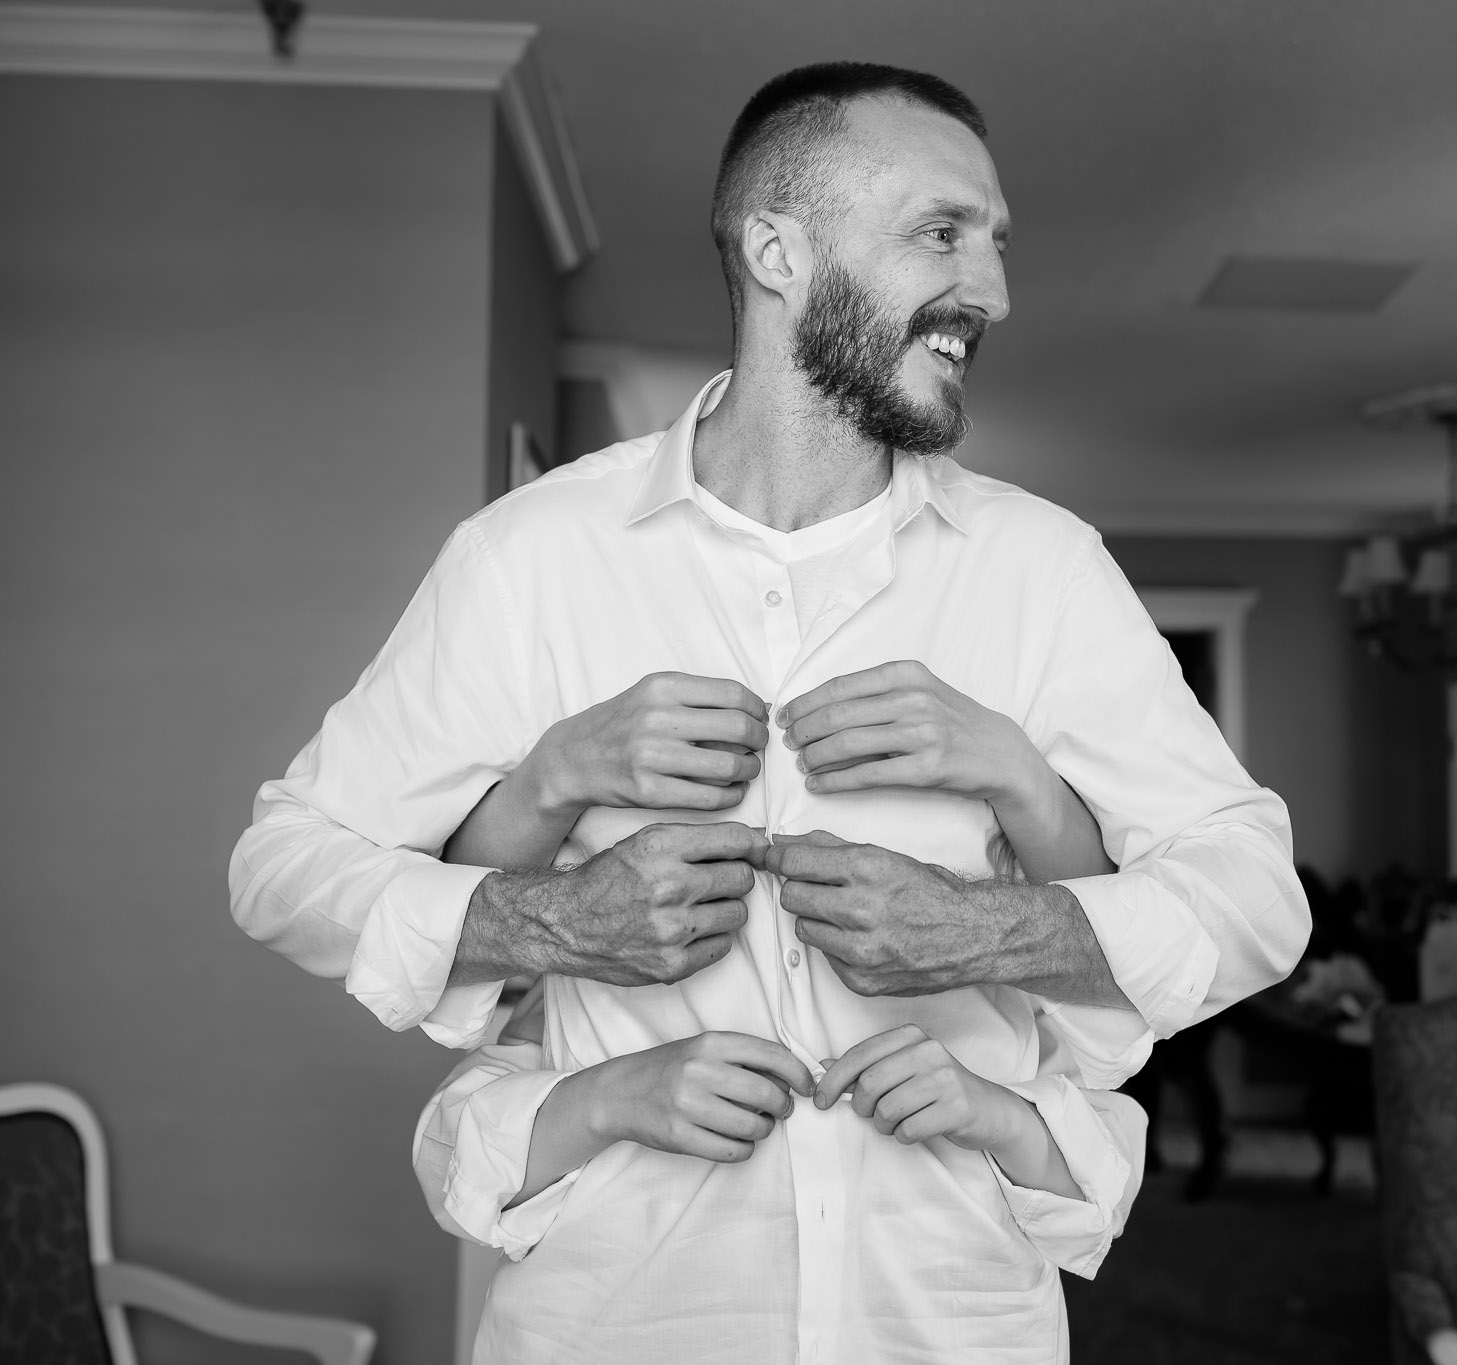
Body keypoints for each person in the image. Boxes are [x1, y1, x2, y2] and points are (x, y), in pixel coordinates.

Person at [229, 61, 1309, 1363]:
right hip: (615, 1323)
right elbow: (282, 863)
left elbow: (1256, 898)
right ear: (776, 248)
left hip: (949, 1324)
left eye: (997, 240)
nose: (995, 290)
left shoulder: (1041, 569)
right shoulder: (534, 559)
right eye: (941, 230)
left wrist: (984, 928)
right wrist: (557, 915)